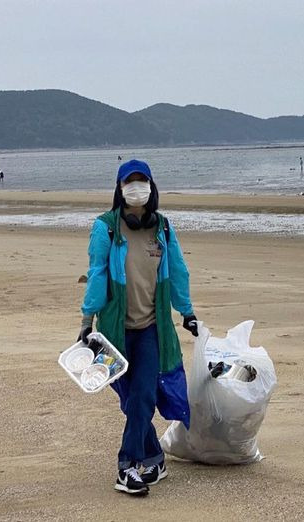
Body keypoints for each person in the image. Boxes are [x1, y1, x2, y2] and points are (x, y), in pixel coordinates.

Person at [77, 159, 198, 496]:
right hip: (115, 331)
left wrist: (186, 312)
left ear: (151, 186)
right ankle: (154, 459)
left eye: (141, 181)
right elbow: (97, 273)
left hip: (150, 328)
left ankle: (127, 466)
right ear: (119, 189)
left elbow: (178, 272)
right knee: (132, 400)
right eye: (128, 182)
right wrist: (87, 320)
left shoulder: (163, 228)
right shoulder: (106, 228)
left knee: (144, 395)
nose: (135, 188)